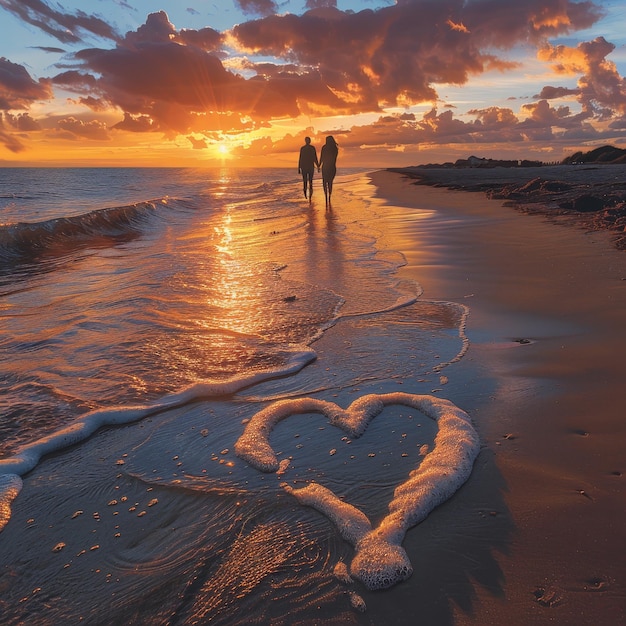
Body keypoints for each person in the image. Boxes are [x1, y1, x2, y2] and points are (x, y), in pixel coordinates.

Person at [318, 135, 338, 206]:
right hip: (332, 167)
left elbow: (322, 158)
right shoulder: (335, 148)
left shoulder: (324, 147)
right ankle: (329, 196)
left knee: (324, 182)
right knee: (330, 182)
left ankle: (326, 196)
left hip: (325, 167)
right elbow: (334, 158)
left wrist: (319, 165)